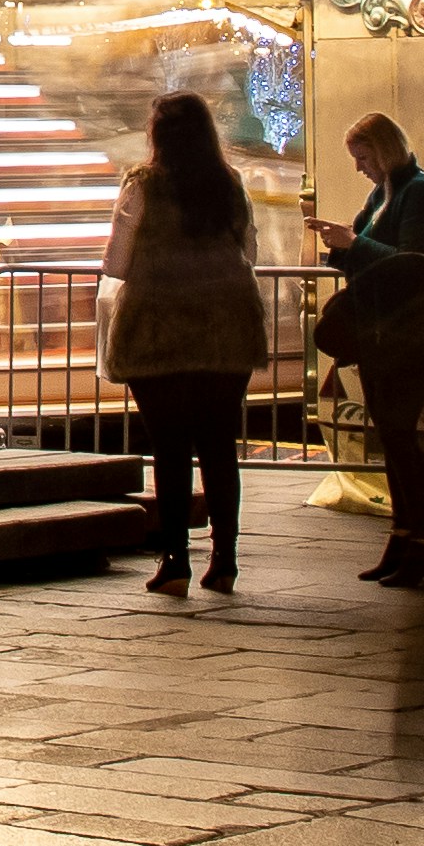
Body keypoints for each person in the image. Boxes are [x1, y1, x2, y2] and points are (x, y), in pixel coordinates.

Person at [100, 93, 269, 597]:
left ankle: (174, 560)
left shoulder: (141, 185)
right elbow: (250, 249)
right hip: (226, 327)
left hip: (158, 330)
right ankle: (226, 559)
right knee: (220, 448)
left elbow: (117, 263)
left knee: (170, 450)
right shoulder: (230, 182)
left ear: (158, 134)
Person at [312, 109, 424, 590]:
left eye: (363, 156)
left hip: (407, 334)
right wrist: (343, 244)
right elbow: (371, 252)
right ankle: (403, 538)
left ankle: (421, 541)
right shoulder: (384, 194)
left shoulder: (419, 192)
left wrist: (353, 243)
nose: (359, 167)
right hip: (382, 333)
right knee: (392, 439)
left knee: (401, 437)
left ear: (384, 150)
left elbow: (417, 265)